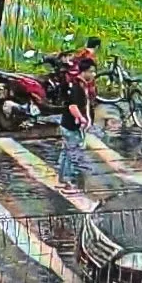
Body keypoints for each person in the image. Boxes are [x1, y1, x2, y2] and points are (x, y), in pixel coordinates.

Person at [56, 59, 92, 193]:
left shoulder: (79, 85)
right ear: (85, 72)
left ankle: (63, 180)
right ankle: (69, 184)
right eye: (92, 72)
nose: (93, 75)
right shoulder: (77, 87)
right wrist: (82, 119)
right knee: (73, 154)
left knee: (66, 153)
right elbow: (73, 106)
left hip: (67, 124)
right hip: (72, 126)